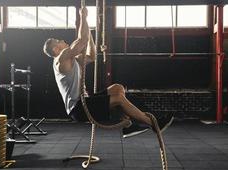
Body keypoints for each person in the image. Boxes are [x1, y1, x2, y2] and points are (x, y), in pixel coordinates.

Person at [43, 7, 173, 137]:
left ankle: (129, 124)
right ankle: (154, 124)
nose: (63, 41)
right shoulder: (61, 59)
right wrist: (83, 17)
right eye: (59, 41)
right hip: (78, 109)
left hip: (86, 101)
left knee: (117, 88)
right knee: (119, 99)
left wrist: (89, 36)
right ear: (55, 49)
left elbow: (91, 55)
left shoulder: (71, 59)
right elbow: (81, 40)